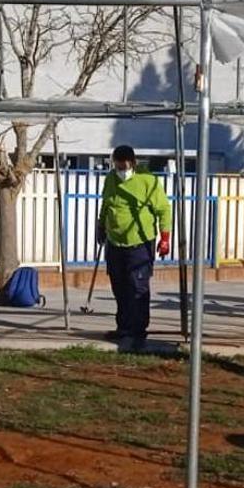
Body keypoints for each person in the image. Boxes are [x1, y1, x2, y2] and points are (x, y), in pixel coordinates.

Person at [96, 145, 171, 352]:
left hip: (140, 243)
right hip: (115, 242)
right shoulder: (111, 178)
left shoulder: (149, 181)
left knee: (137, 288)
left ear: (133, 163)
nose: (121, 169)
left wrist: (165, 237)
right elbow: (106, 204)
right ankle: (124, 327)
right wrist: (101, 226)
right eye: (117, 165)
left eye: (124, 165)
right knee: (119, 286)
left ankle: (138, 332)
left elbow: (164, 209)